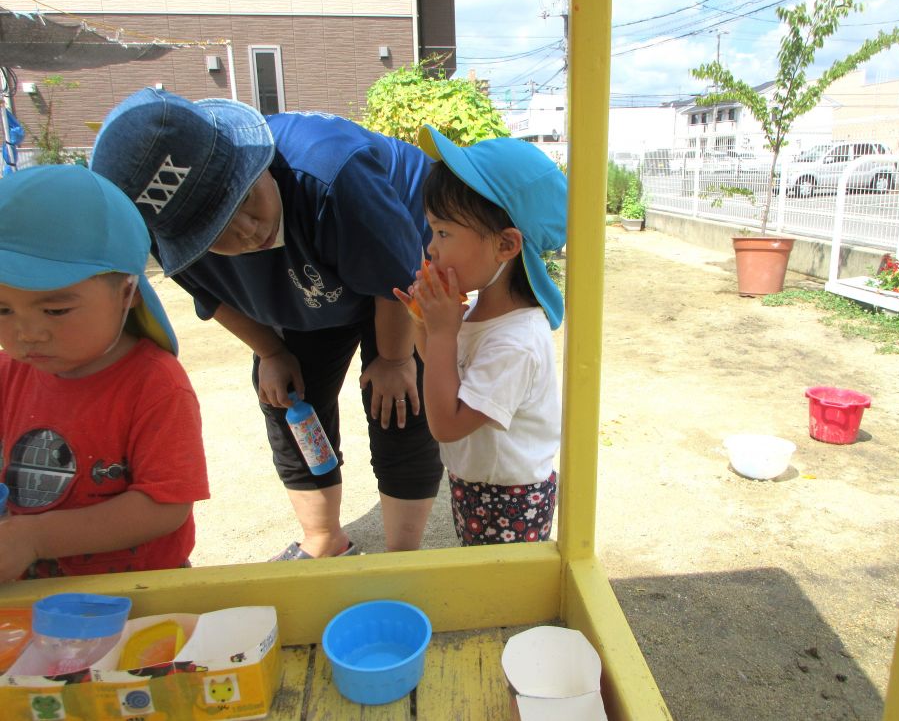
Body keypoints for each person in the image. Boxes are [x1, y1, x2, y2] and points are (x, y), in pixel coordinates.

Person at [90, 88, 443, 560]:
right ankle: (324, 540)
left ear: (254, 162)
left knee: (399, 401)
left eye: (246, 198)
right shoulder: (160, 229)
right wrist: (272, 353)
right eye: (214, 232)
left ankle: (404, 555)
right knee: (286, 400)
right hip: (315, 279)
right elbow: (212, 296)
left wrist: (396, 358)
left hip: (396, 269)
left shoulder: (332, 169)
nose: (247, 230)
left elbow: (399, 278)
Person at [0, 165, 210, 580]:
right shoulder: (9, 372)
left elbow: (165, 505)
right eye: (2, 309)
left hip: (137, 597)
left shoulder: (155, 384)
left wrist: (35, 539)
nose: (28, 333)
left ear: (127, 292)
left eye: (55, 309)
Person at [394, 126, 566, 545]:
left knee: (502, 597)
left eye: (444, 233)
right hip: (475, 483)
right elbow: (443, 370)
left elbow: (446, 424)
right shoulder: (473, 315)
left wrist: (441, 331)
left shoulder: (516, 342)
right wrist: (425, 325)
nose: (430, 247)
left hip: (511, 498)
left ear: (506, 245)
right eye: (432, 231)